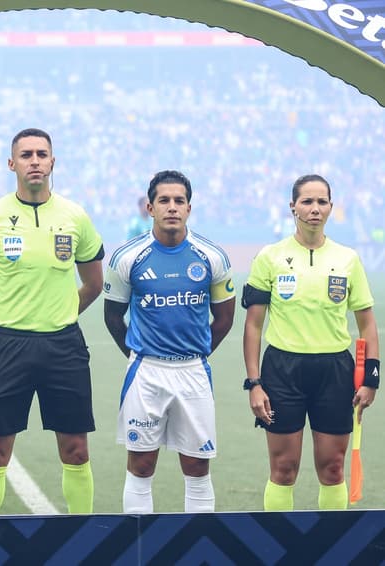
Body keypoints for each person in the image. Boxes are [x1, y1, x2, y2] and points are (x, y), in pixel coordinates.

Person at [0, 128, 104, 515]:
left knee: (75, 449)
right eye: (26, 155)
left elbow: (94, 284)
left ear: (53, 162)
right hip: (8, 346)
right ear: (12, 164)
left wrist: (61, 314)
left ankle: (83, 536)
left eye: (42, 154)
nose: (35, 161)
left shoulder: (75, 216)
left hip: (63, 346)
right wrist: (5, 320)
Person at [242, 173, 379, 511]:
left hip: (334, 370)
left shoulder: (348, 259)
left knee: (332, 469)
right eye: (307, 201)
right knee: (283, 469)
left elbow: (368, 325)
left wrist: (371, 380)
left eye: (321, 202)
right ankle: (277, 550)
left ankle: (332, 549)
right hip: (282, 371)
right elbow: (254, 326)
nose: (314, 209)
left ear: (331, 207)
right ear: (293, 207)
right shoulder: (269, 257)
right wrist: (254, 383)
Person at [103, 169, 235, 513]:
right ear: (150, 207)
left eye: (179, 201)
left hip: (193, 371)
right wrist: (138, 355)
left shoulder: (212, 257)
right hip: (146, 372)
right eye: (164, 200)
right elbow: (112, 317)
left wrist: (197, 352)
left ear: (190, 208)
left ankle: (198, 549)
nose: (172, 207)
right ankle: (139, 550)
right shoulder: (127, 257)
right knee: (141, 465)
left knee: (197, 467)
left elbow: (224, 319)